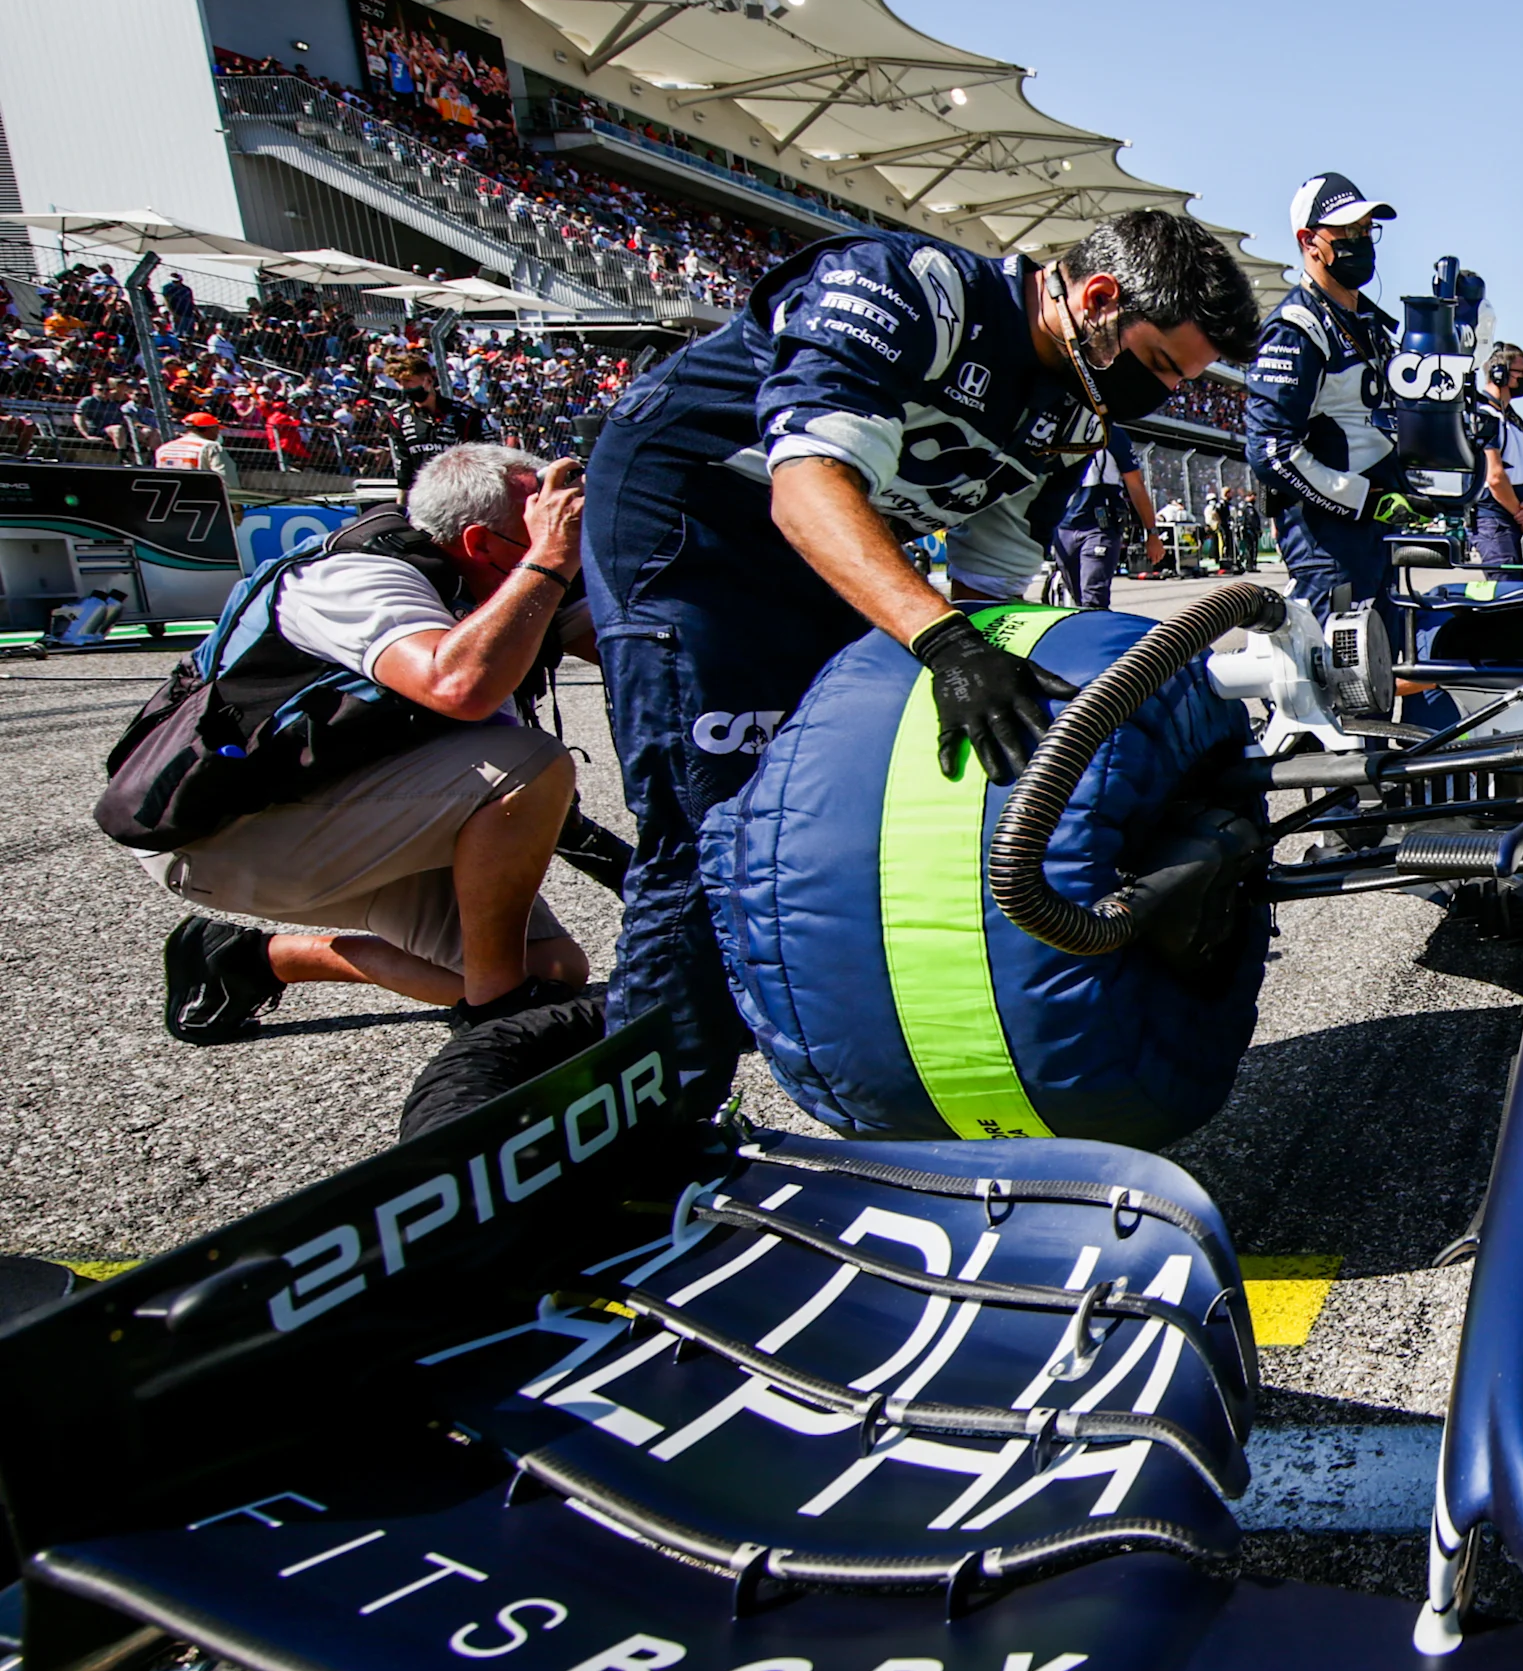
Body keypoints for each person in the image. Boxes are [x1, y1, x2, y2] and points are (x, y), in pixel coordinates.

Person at [582, 207, 1259, 1081]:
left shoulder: (1077, 407)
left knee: (825, 805)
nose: (1164, 393)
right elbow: (806, 489)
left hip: (840, 553)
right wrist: (945, 644)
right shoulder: (913, 291)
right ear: (1097, 298)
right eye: (1161, 364)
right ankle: (655, 1112)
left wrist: (990, 666)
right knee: (706, 815)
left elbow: (989, 584)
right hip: (700, 533)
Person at [152, 444, 595, 1043]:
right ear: (479, 544)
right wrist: (549, 559)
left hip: (355, 814)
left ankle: (250, 960)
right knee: (526, 765)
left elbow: (635, 643)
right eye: (542, 526)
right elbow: (457, 685)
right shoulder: (351, 577)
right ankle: (498, 1010)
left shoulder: (506, 573)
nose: (566, 543)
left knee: (557, 974)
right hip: (230, 833)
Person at [1244, 173, 1405, 610]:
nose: (1362, 240)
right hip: (1328, 542)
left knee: (1385, 666)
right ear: (1309, 241)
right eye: (1348, 231)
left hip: (1376, 530)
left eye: (1367, 229)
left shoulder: (1370, 324)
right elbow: (1270, 450)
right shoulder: (1296, 326)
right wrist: (1359, 498)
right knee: (1337, 674)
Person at [1466, 342, 1523, 569]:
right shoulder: (1482, 415)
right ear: (1500, 374)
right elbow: (1496, 477)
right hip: (1494, 517)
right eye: (1521, 373)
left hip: (1516, 512)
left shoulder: (1514, 419)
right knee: (1506, 591)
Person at [378, 345, 470, 498]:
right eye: (398, 382)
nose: (403, 387)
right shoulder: (398, 418)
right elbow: (403, 470)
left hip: (460, 493)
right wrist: (401, 511)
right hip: (422, 496)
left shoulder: (465, 415)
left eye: (408, 381)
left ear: (428, 379)